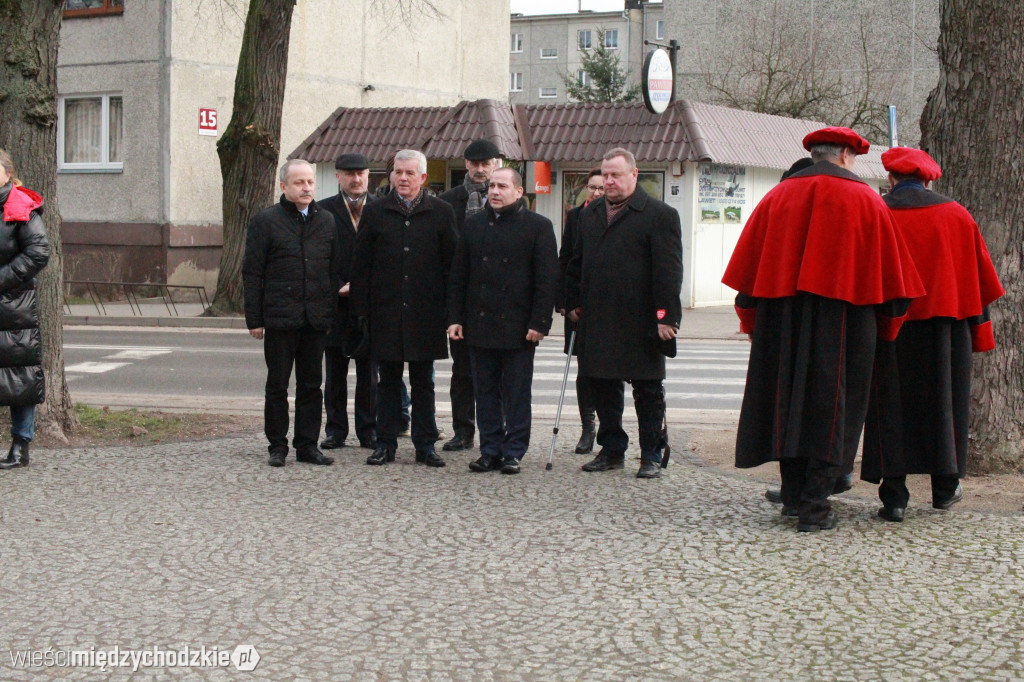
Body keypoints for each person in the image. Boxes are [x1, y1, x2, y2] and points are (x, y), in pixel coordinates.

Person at [722, 127, 925, 532]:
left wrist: (753, 325)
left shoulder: (776, 197)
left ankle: (794, 499)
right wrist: (887, 330)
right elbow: (893, 282)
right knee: (835, 409)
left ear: (815, 155)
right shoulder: (866, 199)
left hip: (782, 319)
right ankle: (816, 506)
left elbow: (747, 280)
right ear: (847, 156)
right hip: (847, 320)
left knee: (788, 405)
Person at [863, 147, 1004, 522]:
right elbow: (980, 280)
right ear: (927, 179)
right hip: (946, 329)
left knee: (890, 407)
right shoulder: (956, 215)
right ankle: (944, 489)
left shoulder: (878, 211)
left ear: (891, 179)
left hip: (888, 328)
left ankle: (894, 496)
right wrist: (980, 332)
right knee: (944, 405)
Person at [565, 147, 683, 479]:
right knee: (601, 385)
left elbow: (668, 272)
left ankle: (650, 453)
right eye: (605, 174)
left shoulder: (659, 215)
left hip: (642, 320)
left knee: (647, 390)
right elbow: (575, 263)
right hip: (597, 318)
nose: (609, 181)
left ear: (634, 175)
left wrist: (666, 317)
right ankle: (613, 448)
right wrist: (571, 302)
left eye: (616, 174)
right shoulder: (589, 214)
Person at [447, 167, 558, 474]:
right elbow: (459, 275)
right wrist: (455, 317)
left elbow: (546, 280)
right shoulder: (474, 224)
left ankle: (514, 450)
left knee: (517, 392)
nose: (495, 191)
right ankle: (490, 448)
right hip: (479, 322)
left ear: (519, 192)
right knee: (484, 391)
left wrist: (540, 322)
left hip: (519, 325)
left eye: (502, 186)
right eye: (492, 186)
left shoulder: (538, 226)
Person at [351, 149, 457, 467]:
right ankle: (385, 443)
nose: (403, 178)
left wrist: (452, 314)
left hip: (427, 312)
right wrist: (361, 310)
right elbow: (361, 265)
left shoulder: (441, 212)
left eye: (410, 173)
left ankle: (425, 444)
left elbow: (452, 267)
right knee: (388, 381)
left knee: (424, 381)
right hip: (386, 311)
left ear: (423, 178)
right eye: (398, 172)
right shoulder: (376, 211)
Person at [243, 159, 341, 468]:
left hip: (314, 318)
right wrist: (255, 319)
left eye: (310, 181)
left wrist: (329, 312)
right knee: (278, 384)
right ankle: (277, 444)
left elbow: (332, 270)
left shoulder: (326, 220)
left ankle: (307, 445)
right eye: (299, 182)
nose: (307, 187)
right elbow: (252, 272)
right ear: (284, 186)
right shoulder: (265, 221)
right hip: (279, 318)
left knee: (312, 386)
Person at [438, 139, 503, 452]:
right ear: (465, 164)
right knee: (462, 371)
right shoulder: (449, 202)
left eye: (486, 163)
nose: (480, 169)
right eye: (474, 163)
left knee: (498, 372)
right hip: (462, 299)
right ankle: (463, 430)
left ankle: (496, 431)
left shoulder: (507, 198)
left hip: (499, 301)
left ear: (495, 163)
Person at [318, 153, 379, 450]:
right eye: (349, 174)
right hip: (336, 303)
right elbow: (318, 258)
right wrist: (337, 286)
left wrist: (365, 285)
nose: (356, 179)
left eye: (362, 173)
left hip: (370, 305)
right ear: (338, 176)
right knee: (336, 372)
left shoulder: (382, 208)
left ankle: (368, 429)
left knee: (369, 373)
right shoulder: (323, 210)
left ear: (369, 175)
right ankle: (336, 430)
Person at [0, 149, 50, 470]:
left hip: (14, 307)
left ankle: (21, 446)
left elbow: (39, 252)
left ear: (6, 172)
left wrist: (2, 279)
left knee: (20, 378)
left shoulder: (20, 205)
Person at [558, 168, 604, 455]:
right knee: (583, 369)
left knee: (605, 370)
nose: (597, 192)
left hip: (605, 306)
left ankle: (608, 427)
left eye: (601, 188)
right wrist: (565, 303)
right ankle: (588, 427)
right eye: (592, 187)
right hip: (578, 306)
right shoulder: (575, 217)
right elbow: (566, 260)